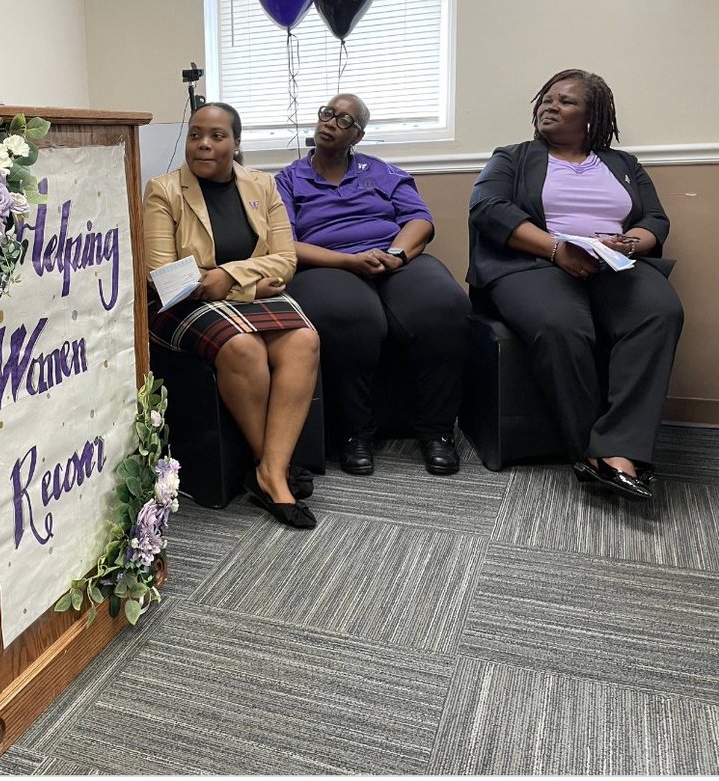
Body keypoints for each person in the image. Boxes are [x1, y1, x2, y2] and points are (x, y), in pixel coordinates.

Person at [468, 69, 682, 501]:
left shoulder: (623, 164)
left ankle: (619, 446)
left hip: (613, 262)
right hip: (533, 263)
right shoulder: (513, 156)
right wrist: (555, 250)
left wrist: (628, 243)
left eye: (565, 100)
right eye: (546, 98)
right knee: (562, 323)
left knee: (661, 312)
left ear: (592, 116)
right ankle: (592, 451)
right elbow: (487, 208)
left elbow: (654, 220)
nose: (550, 105)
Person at [144, 103, 321, 529]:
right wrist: (249, 284)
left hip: (244, 293)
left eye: (217, 136)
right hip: (183, 303)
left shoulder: (263, 185)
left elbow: (286, 259)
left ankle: (268, 469)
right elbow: (164, 277)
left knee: (304, 340)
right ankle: (274, 472)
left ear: (236, 144)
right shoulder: (163, 191)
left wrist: (230, 277)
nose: (204, 144)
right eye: (195, 134)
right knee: (242, 347)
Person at [276, 95, 470, 476]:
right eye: (326, 114)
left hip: (392, 259)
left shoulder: (381, 171)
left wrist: (397, 255)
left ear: (358, 135)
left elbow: (420, 221)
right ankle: (355, 434)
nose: (330, 122)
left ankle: (436, 431)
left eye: (344, 120)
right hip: (326, 263)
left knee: (446, 306)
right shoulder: (288, 179)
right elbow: (285, 242)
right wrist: (348, 261)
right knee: (350, 317)